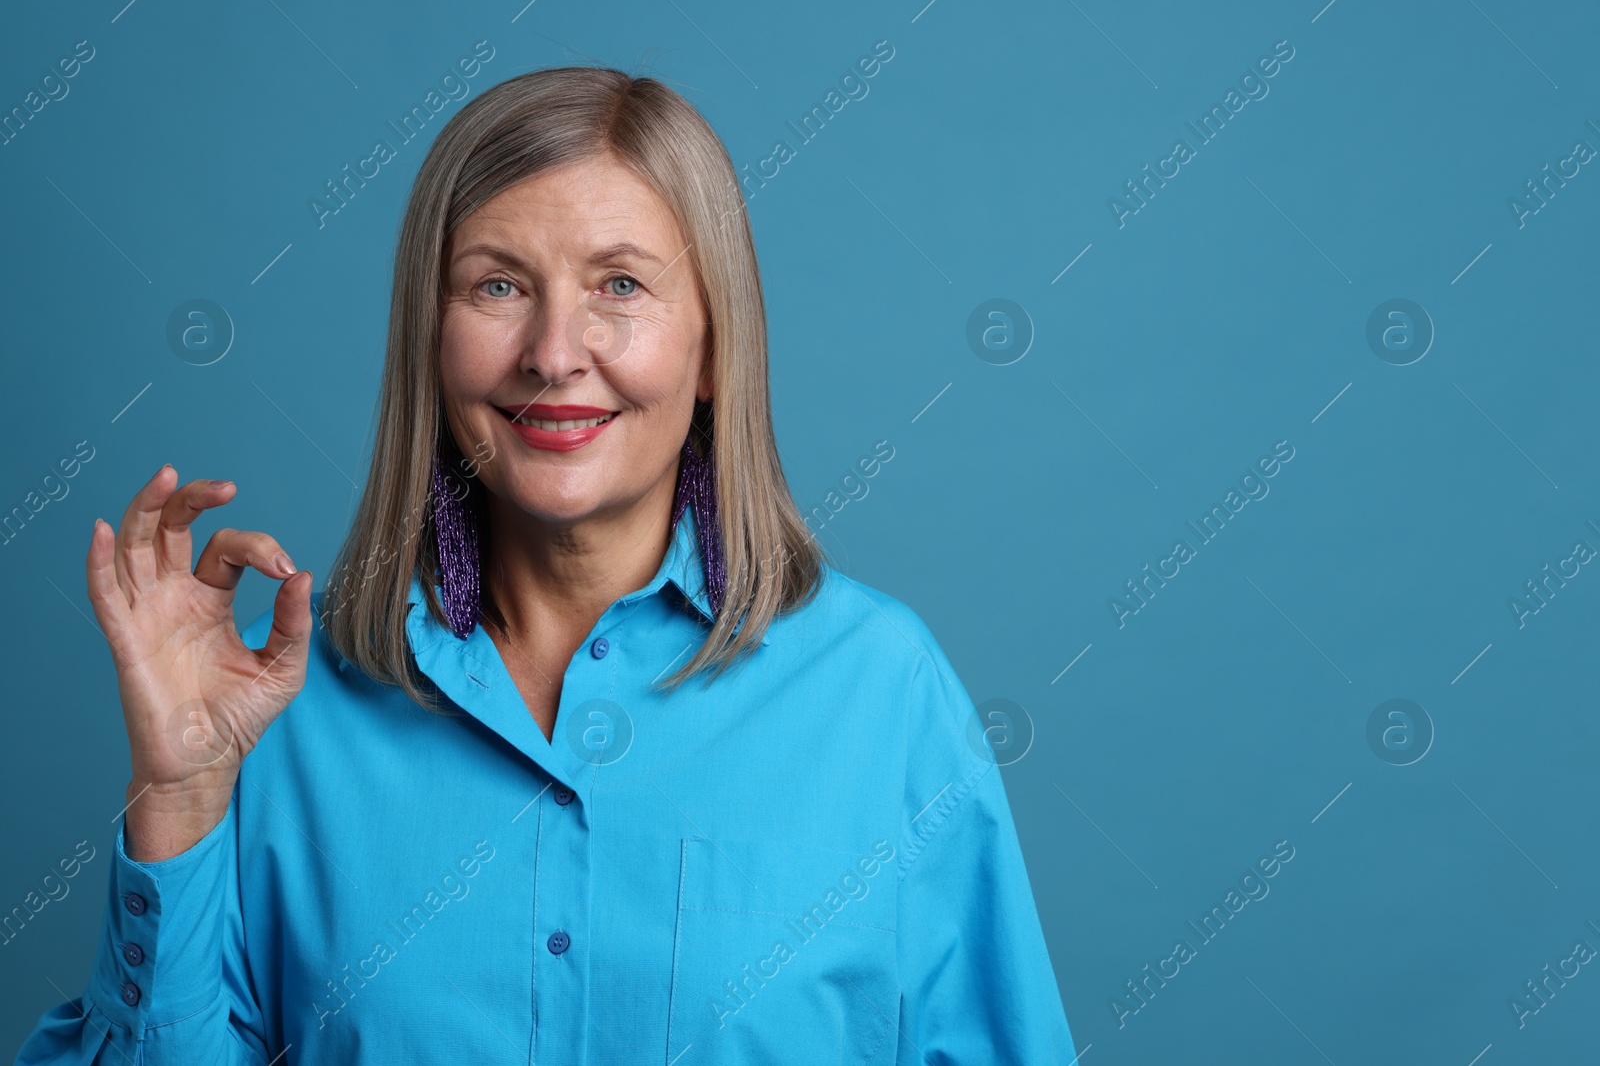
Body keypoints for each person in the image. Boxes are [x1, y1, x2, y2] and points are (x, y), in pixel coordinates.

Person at [14, 66, 1077, 1065]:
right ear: (431, 341)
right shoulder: (280, 706)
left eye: (619, 282)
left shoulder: (880, 693)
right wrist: (183, 799)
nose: (554, 351)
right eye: (497, 285)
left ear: (712, 347)